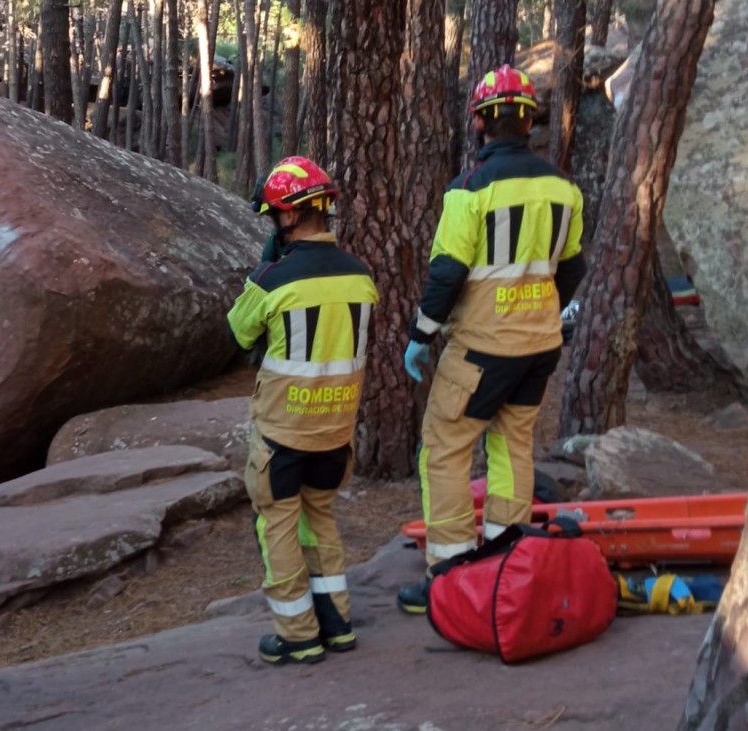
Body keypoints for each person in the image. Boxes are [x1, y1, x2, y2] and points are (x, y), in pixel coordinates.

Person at [396, 65, 587, 613]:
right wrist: (540, 302)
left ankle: (451, 577)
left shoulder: (469, 190)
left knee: (445, 449)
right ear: (529, 122)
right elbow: (572, 268)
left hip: (481, 348)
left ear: (479, 123)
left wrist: (420, 336)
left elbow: (446, 274)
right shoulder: (563, 187)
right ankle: (507, 562)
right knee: (511, 446)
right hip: (539, 346)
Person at [227, 156, 379, 665]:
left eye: (273, 217)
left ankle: (297, 634)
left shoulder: (272, 281)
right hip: (336, 434)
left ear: (288, 218)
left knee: (279, 526)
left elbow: (239, 332)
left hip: (282, 435)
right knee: (321, 519)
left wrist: (266, 266)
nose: (273, 224)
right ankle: (336, 623)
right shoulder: (361, 278)